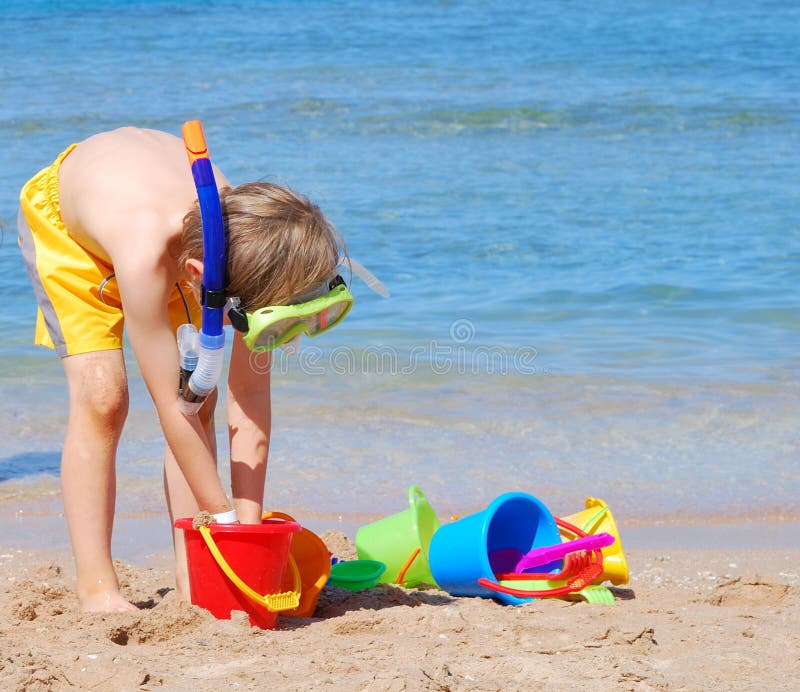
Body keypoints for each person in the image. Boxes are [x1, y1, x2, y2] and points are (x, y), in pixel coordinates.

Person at [17, 126, 351, 612]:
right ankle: (97, 588)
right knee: (104, 398)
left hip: (176, 227)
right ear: (200, 278)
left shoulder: (257, 244)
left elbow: (250, 398)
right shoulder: (145, 253)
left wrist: (248, 523)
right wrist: (222, 517)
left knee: (203, 391)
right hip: (72, 228)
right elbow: (174, 412)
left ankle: (191, 576)